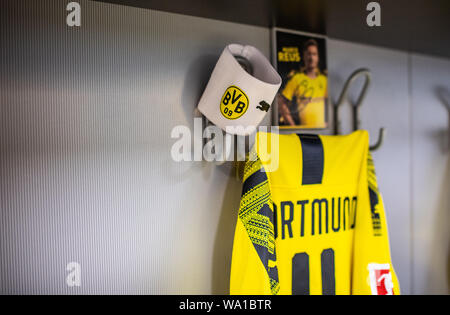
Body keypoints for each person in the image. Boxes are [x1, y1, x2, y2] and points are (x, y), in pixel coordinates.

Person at [278, 39, 328, 127]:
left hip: (323, 131)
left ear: (318, 57)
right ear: (304, 56)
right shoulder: (297, 79)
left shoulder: (324, 80)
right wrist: (292, 126)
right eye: (309, 54)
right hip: (304, 131)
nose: (311, 58)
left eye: (314, 54)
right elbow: (281, 102)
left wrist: (329, 122)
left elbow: (329, 103)